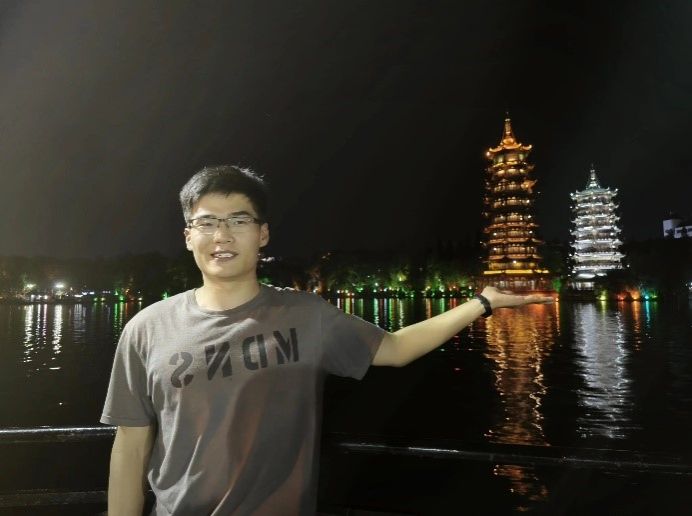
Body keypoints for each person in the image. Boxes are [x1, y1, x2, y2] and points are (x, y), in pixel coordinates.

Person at [101, 165, 552, 516]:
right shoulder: (147, 328)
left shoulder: (306, 316)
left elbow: (396, 349)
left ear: (262, 234)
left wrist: (483, 303)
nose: (222, 235)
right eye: (207, 223)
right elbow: (131, 445)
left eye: (239, 220)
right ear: (188, 237)